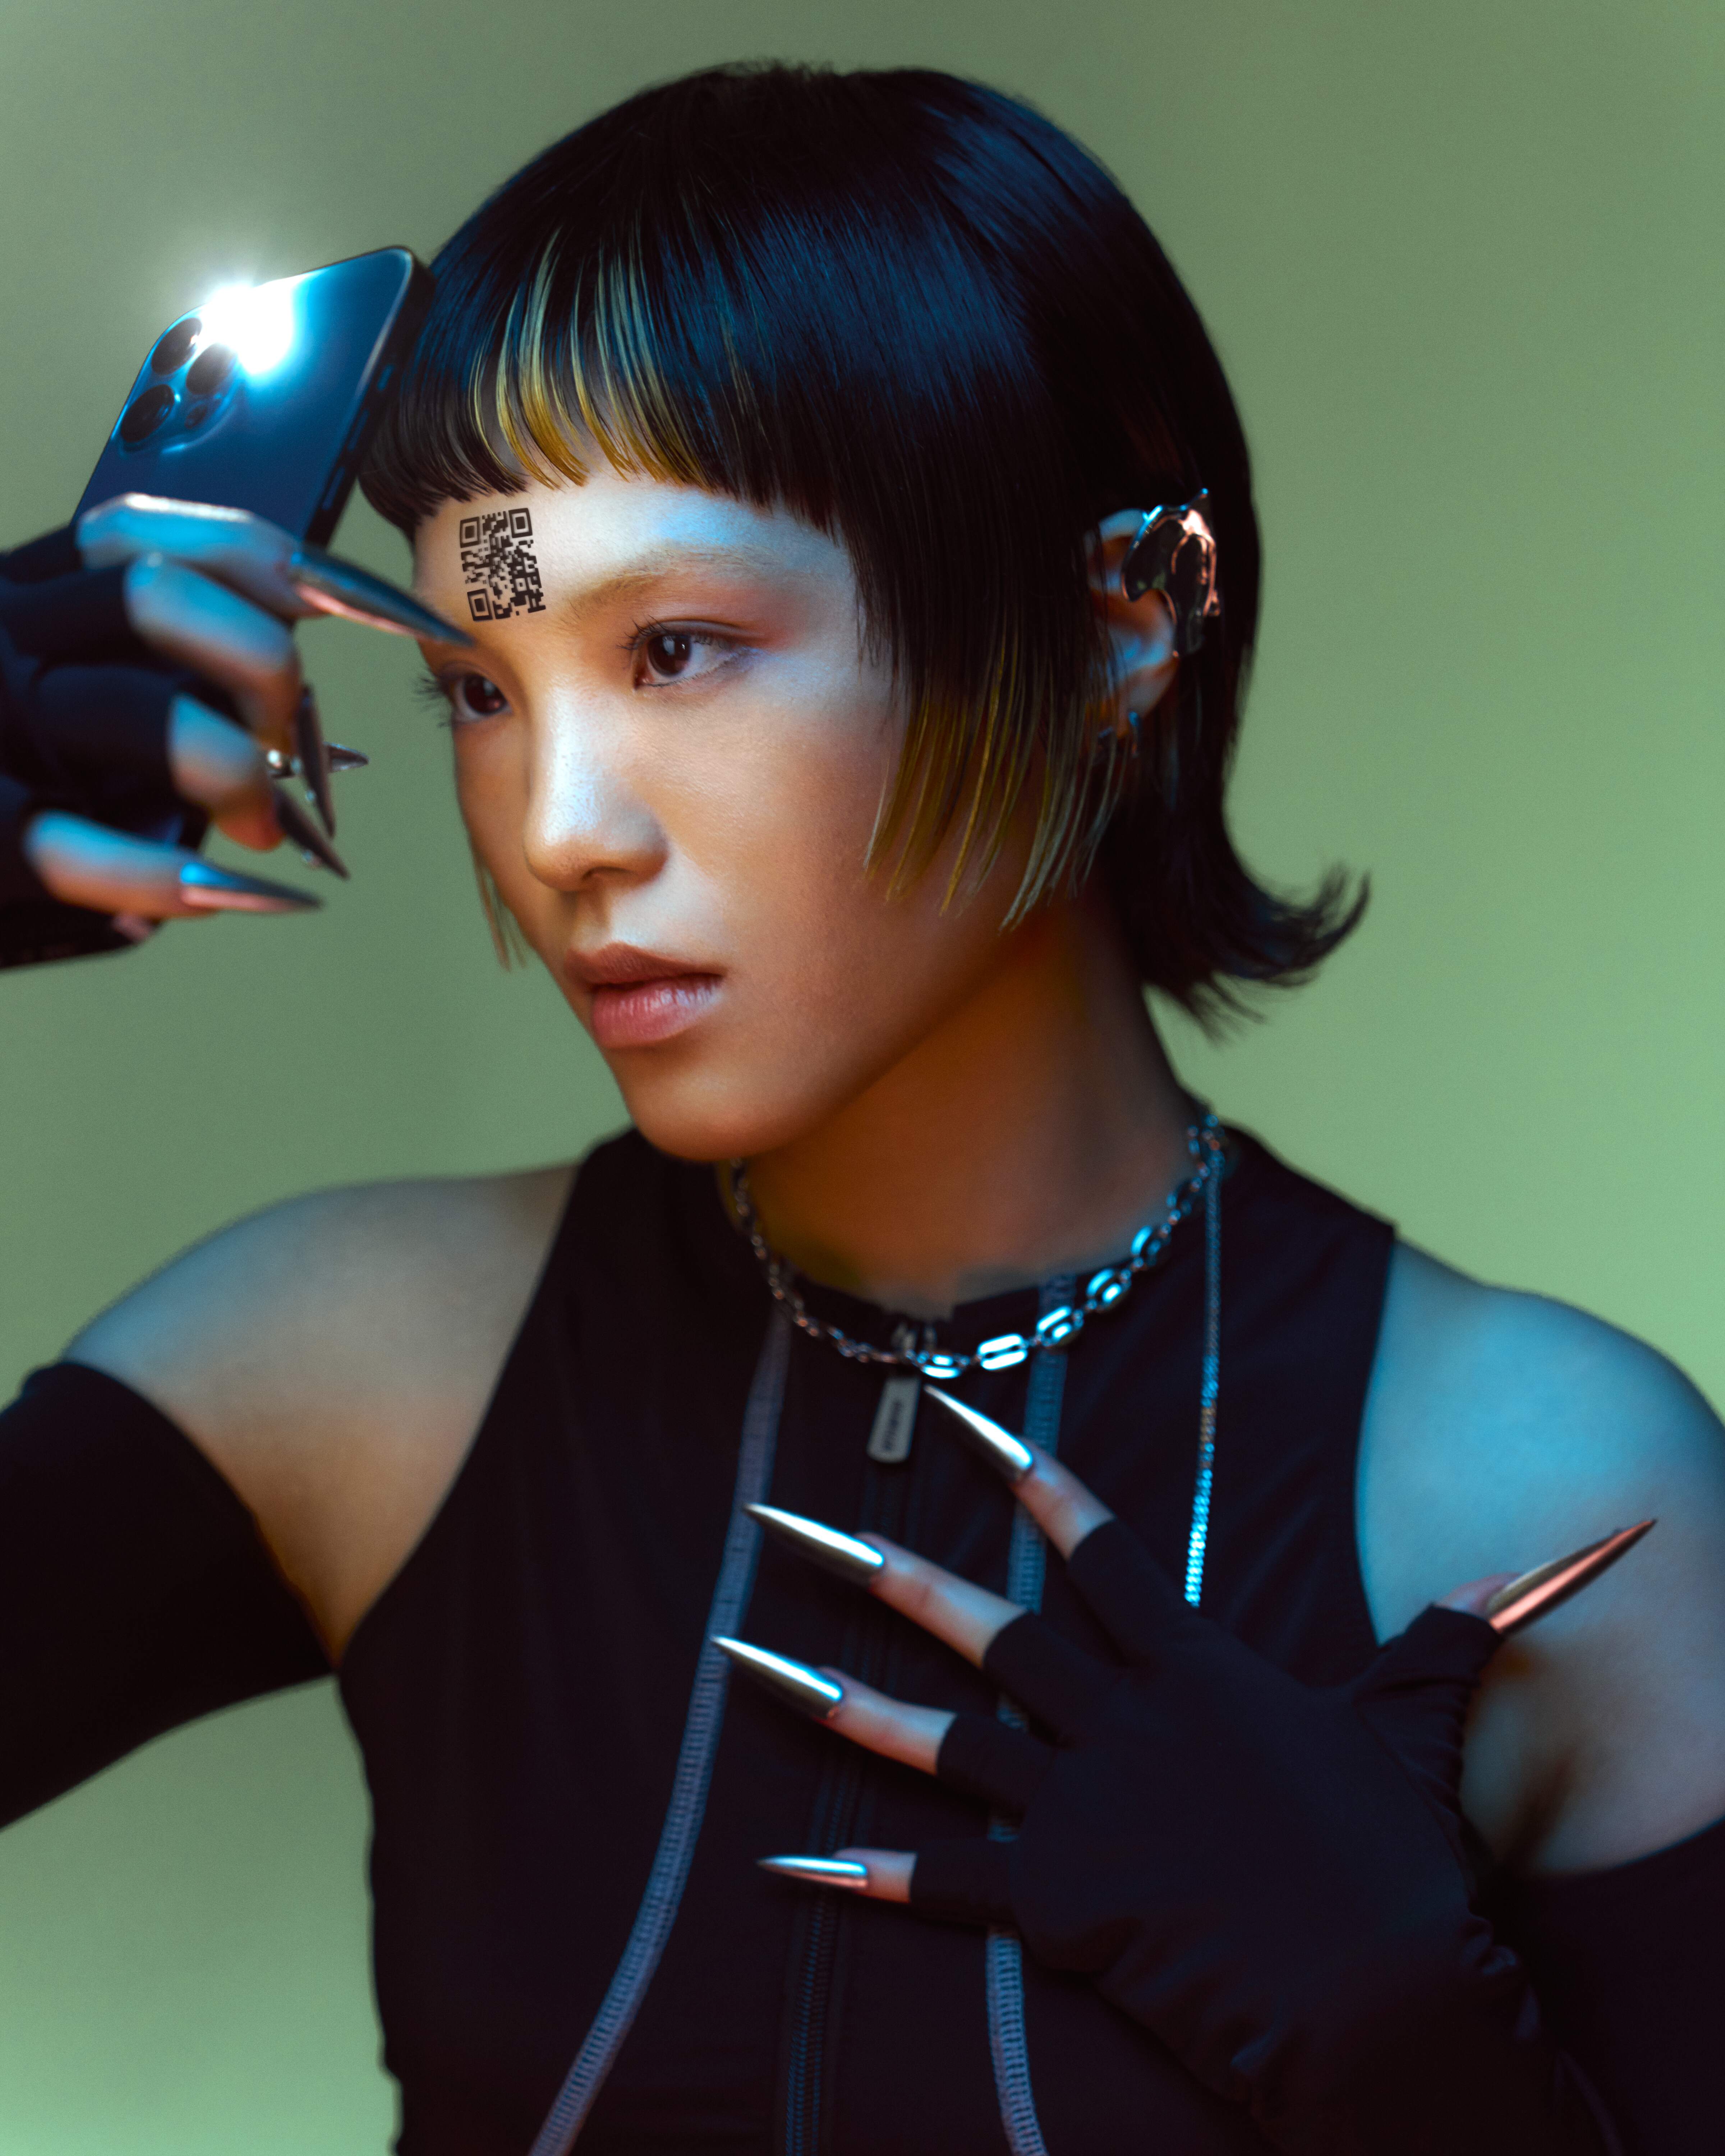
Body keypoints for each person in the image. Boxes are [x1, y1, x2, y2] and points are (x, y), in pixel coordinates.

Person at [0, 61, 1720, 2156]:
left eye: (680, 649)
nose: (557, 829)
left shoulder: (1538, 1502)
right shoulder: (356, 1375)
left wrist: (1412, 2059)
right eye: (476, 687)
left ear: (1123, 625)